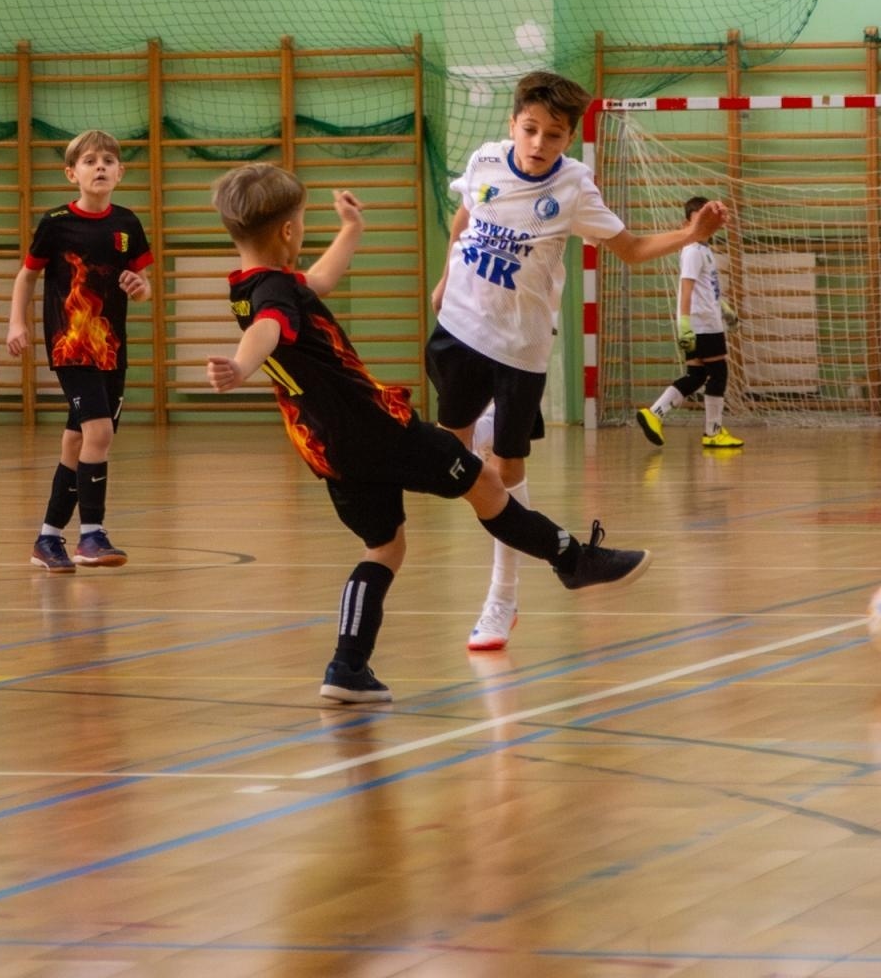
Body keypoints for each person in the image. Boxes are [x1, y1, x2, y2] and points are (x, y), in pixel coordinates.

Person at [206, 162, 652, 704]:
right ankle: (571, 559)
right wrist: (240, 365)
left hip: (328, 447)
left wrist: (352, 229)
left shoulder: (251, 285)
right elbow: (268, 329)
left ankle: (347, 667)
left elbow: (314, 284)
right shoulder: (274, 295)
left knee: (384, 548)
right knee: (486, 485)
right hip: (377, 430)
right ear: (288, 232)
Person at [428, 70, 729, 651]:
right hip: (459, 328)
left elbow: (634, 250)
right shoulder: (486, 160)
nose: (539, 144)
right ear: (513, 123)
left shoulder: (573, 189)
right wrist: (446, 276)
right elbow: (464, 215)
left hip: (519, 348)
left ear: (569, 139)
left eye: (554, 135)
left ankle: (502, 599)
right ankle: (550, 540)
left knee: (504, 476)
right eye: (531, 129)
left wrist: (691, 232)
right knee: (452, 463)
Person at [6, 129, 153, 575]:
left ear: (121, 172)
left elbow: (144, 286)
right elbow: (26, 276)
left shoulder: (126, 225)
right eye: (90, 161)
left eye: (109, 160)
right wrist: (17, 322)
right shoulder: (54, 223)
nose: (101, 166)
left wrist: (139, 287)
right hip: (70, 347)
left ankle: (48, 539)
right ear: (72, 173)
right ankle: (92, 534)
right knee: (100, 434)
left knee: (77, 441)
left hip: (112, 349)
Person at [636, 195, 744, 450]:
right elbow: (687, 289)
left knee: (697, 375)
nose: (703, 227)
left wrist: (725, 309)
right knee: (718, 374)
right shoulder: (694, 250)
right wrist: (684, 323)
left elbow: (707, 289)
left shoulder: (703, 250)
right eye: (698, 222)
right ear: (686, 224)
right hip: (703, 324)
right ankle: (713, 432)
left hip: (707, 319)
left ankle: (655, 413)